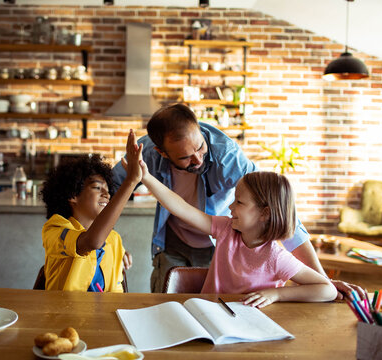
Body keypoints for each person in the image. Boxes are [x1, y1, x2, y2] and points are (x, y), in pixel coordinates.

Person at [112, 103, 363, 299]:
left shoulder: (228, 156)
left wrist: (323, 281)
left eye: (200, 148)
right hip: (173, 242)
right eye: (187, 157)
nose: (198, 160)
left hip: (218, 246)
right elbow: (108, 192)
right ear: (162, 152)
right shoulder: (144, 153)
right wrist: (112, 242)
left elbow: (281, 214)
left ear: (200, 130)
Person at [134, 158, 337, 307]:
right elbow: (182, 208)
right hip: (209, 313)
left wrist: (277, 295)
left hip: (252, 326)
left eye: (239, 202)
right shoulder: (225, 229)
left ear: (264, 214)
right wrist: (147, 178)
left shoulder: (276, 257)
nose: (230, 207)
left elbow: (327, 290)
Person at [40, 131, 140, 292]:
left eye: (108, 189)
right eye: (97, 188)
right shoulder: (54, 230)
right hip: (63, 314)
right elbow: (91, 242)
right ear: (73, 194)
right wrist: (130, 181)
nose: (106, 195)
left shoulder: (113, 239)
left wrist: (121, 251)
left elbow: (116, 291)